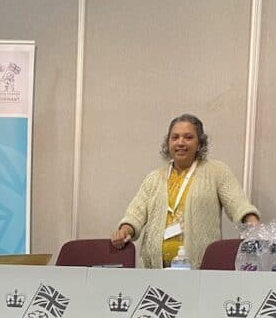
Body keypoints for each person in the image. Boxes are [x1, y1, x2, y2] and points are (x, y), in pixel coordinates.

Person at [111, 113, 259, 269]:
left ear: (200, 144)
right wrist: (124, 230)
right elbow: (135, 213)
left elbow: (238, 204)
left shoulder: (217, 171)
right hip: (154, 271)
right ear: (168, 143)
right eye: (175, 138)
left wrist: (253, 224)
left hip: (199, 271)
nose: (180, 143)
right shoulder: (154, 178)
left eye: (188, 137)